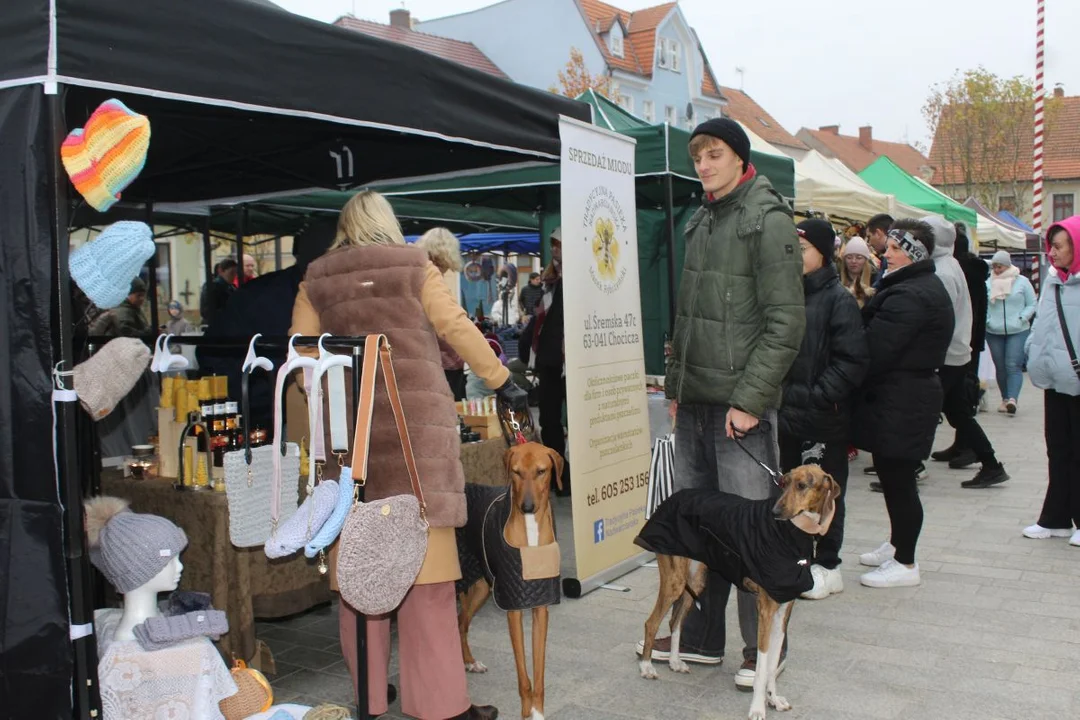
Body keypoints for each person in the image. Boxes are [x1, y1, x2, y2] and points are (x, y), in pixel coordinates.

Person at [290, 190, 523, 720]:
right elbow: (456, 328)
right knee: (429, 577)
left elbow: (302, 356)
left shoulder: (318, 277)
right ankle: (440, 705)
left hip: (350, 447)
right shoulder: (414, 264)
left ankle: (370, 697)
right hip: (416, 442)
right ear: (388, 223)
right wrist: (501, 378)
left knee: (360, 576)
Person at [643, 118, 804, 688]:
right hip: (697, 405)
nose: (704, 164)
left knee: (751, 532)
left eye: (714, 154)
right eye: (697, 156)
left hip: (741, 409)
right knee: (700, 529)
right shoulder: (700, 221)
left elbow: (787, 322)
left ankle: (764, 649)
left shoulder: (768, 219)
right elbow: (686, 319)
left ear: (739, 157)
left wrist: (751, 400)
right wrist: (678, 392)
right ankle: (703, 639)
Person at [853, 219, 953, 588]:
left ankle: (907, 562)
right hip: (899, 396)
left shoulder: (911, 294)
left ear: (914, 253)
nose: (885, 253)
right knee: (891, 475)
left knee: (899, 480)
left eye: (895, 249)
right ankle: (898, 544)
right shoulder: (911, 286)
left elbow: (875, 348)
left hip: (904, 397)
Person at [779, 219, 869, 599]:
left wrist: (818, 395)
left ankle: (828, 564)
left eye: (802, 249)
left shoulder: (839, 301)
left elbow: (853, 361)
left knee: (827, 493)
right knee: (789, 491)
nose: (796, 256)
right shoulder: (787, 295)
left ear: (822, 252)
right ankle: (795, 560)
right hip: (785, 416)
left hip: (822, 417)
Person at [197, 219, 336, 432]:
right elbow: (213, 354)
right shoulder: (259, 296)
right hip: (264, 418)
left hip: (282, 414)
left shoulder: (256, 293)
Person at [921, 216, 1008, 489]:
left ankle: (909, 466)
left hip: (947, 355)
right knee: (958, 413)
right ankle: (991, 464)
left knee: (923, 410)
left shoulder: (943, 271)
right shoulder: (947, 264)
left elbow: (939, 319)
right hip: (955, 353)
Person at [1022, 215, 1080, 545]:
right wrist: (1032, 351)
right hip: (1055, 381)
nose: (1052, 253)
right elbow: (1043, 324)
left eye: (1058, 246)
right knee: (1057, 450)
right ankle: (1055, 517)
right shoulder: (1052, 280)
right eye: (1050, 247)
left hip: (1077, 380)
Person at [524, 227, 570, 496]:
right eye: (552, 244)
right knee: (550, 421)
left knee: (573, 423)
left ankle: (572, 474)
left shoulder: (575, 278)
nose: (554, 248)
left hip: (570, 362)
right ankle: (556, 476)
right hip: (548, 361)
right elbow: (539, 321)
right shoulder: (548, 281)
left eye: (559, 244)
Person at [416, 227, 468, 401]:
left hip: (432, 361)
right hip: (442, 363)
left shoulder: (414, 275)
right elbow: (447, 324)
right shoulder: (430, 281)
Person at [983, 250, 1037, 415]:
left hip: (1018, 330)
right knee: (1000, 367)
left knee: (1012, 365)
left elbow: (1032, 303)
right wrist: (988, 320)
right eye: (995, 267)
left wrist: (1022, 317)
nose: (997, 270)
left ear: (1007, 265)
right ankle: (1005, 398)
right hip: (994, 331)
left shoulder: (1022, 282)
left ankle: (1013, 399)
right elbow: (982, 304)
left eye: (1000, 266)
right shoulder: (988, 283)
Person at [838, 237, 877, 308]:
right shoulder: (837, 280)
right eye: (849, 257)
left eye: (859, 258)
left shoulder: (875, 281)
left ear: (865, 260)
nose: (853, 261)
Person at [199, 259, 236, 326]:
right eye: (231, 273)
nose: (233, 276)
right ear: (221, 271)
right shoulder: (212, 286)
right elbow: (206, 310)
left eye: (235, 273)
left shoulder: (232, 287)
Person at [866, 213, 894, 289]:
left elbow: (878, 289)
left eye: (869, 237)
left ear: (878, 233)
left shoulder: (889, 259)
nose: (869, 243)